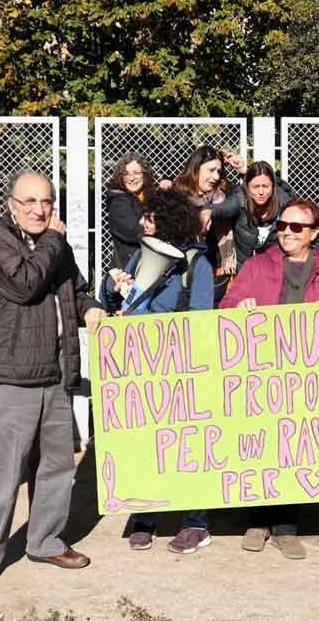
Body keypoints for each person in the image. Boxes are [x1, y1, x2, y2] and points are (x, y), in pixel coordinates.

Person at [0, 172, 105, 593]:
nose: (38, 209)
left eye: (46, 201)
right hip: (16, 374)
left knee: (59, 466)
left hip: (57, 372)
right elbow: (26, 284)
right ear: (11, 204)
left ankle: (44, 541)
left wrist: (92, 306)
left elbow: (76, 289)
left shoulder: (54, 245)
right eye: (29, 201)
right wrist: (54, 241)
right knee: (5, 473)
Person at [220, 198, 319, 559]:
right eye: (282, 226)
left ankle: (287, 527)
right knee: (263, 446)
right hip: (262, 371)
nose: (287, 233)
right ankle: (258, 521)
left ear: (314, 233)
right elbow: (227, 307)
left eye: (296, 227)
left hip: (306, 375)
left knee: (297, 447)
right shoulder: (258, 265)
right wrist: (239, 309)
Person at [102, 189, 215, 553]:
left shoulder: (197, 265)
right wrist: (112, 286)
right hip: (140, 365)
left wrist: (148, 319)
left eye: (147, 217)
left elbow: (200, 322)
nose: (140, 222)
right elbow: (109, 300)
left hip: (178, 367)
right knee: (144, 440)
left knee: (186, 443)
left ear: (163, 220)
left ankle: (195, 521)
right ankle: (145, 514)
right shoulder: (138, 256)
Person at [172, 146, 240, 300]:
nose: (216, 176)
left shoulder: (223, 195)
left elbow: (242, 197)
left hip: (217, 276)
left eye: (218, 171)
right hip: (183, 275)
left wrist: (243, 170)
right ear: (196, 168)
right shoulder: (176, 197)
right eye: (211, 170)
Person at [211, 161, 295, 268]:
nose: (261, 192)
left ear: (273, 186)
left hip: (276, 271)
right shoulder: (240, 198)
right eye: (255, 187)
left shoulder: (285, 202)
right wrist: (207, 211)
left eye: (265, 186)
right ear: (247, 187)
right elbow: (225, 208)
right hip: (244, 270)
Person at [105, 153, 157, 270]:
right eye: (126, 174)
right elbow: (132, 231)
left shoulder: (151, 197)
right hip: (129, 267)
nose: (131, 178)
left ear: (145, 175)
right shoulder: (118, 201)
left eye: (136, 173)